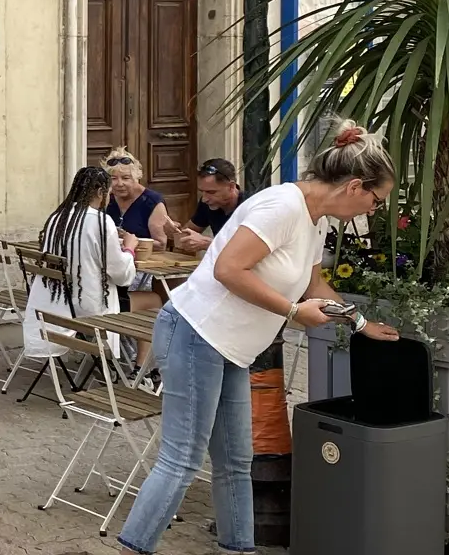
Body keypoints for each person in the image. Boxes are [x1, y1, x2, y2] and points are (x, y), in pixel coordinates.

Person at [116, 121, 402, 555]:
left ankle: (239, 549)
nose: (374, 209)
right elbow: (227, 269)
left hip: (232, 346)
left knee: (236, 463)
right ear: (355, 187)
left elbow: (311, 284)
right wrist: (291, 313)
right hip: (196, 332)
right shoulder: (282, 207)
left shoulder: (315, 217)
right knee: (181, 461)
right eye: (376, 200)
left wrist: (360, 322)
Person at [22, 167, 137, 360]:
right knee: (154, 301)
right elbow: (121, 274)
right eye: (107, 194)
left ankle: (109, 365)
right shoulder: (101, 221)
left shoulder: (57, 218)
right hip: (87, 305)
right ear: (101, 192)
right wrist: (130, 249)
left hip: (55, 302)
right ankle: (137, 369)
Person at [104, 148, 171, 313]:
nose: (119, 184)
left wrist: (130, 243)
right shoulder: (106, 198)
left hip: (138, 271)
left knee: (156, 302)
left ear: (136, 177)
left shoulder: (152, 201)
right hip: (112, 267)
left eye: (126, 178)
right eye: (113, 179)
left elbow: (161, 244)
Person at [170, 158, 244, 255]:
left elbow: (250, 250)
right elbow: (187, 234)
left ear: (231, 187)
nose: (205, 199)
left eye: (211, 192)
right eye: (202, 192)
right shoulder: (207, 203)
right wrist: (174, 232)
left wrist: (207, 244)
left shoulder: (251, 206)